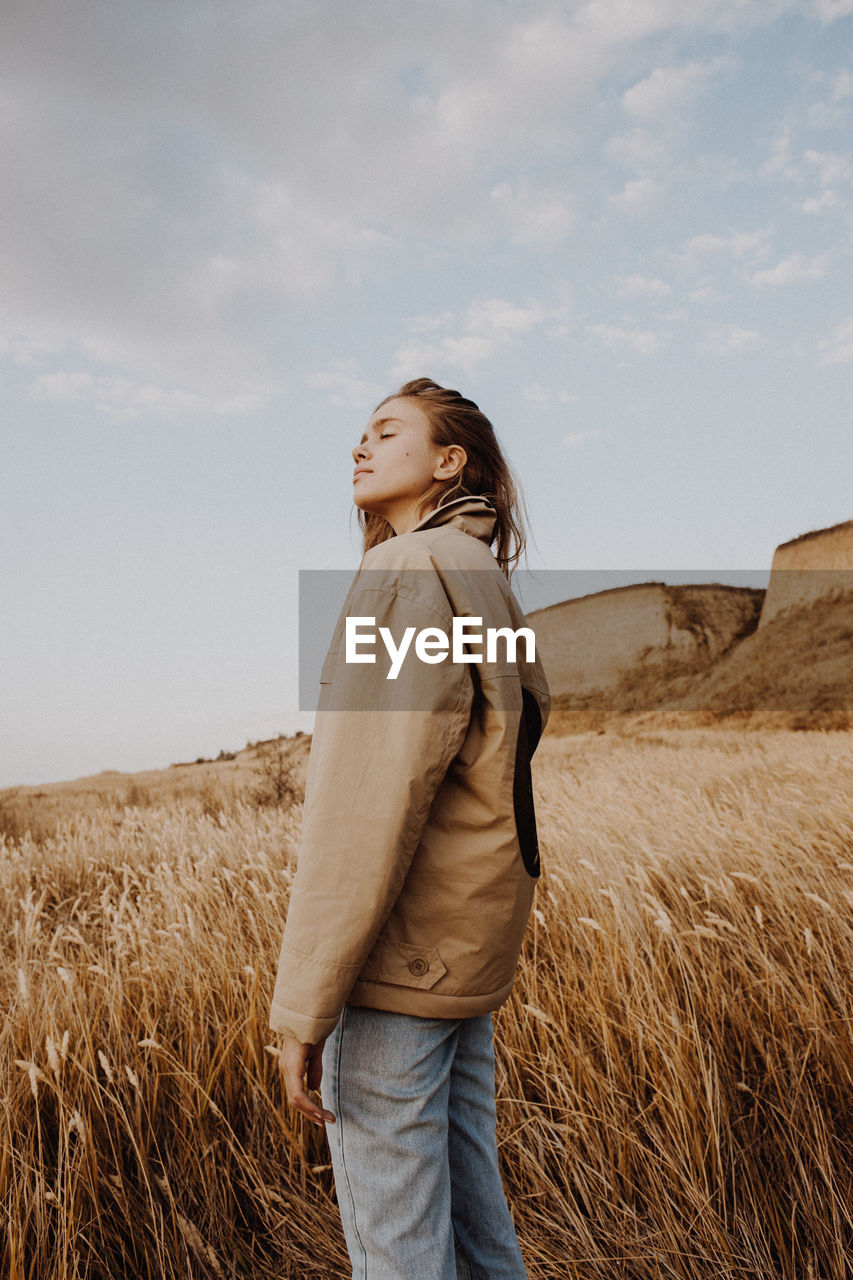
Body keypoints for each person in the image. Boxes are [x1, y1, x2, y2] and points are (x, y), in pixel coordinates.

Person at [270, 378, 550, 1279]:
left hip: (398, 963)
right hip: (464, 952)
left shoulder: (405, 570)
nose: (359, 445)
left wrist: (305, 1002)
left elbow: (367, 804)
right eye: (358, 432)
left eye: (385, 431)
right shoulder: (485, 580)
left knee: (399, 1250)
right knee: (475, 1232)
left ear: (446, 462)